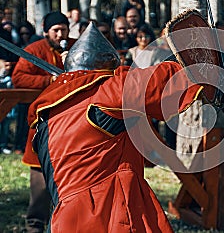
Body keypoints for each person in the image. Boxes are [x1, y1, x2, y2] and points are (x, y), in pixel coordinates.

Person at [26, 22, 202, 232]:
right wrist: (199, 60)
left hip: (65, 214)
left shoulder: (47, 109)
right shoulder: (108, 92)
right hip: (104, 209)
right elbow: (160, 80)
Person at [11, 11, 75, 233]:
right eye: (56, 30)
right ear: (46, 31)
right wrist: (49, 80)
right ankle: (34, 227)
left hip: (72, 128)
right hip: (42, 126)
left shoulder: (78, 47)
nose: (60, 34)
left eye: (63, 29)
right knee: (39, 190)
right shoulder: (34, 51)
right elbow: (18, 78)